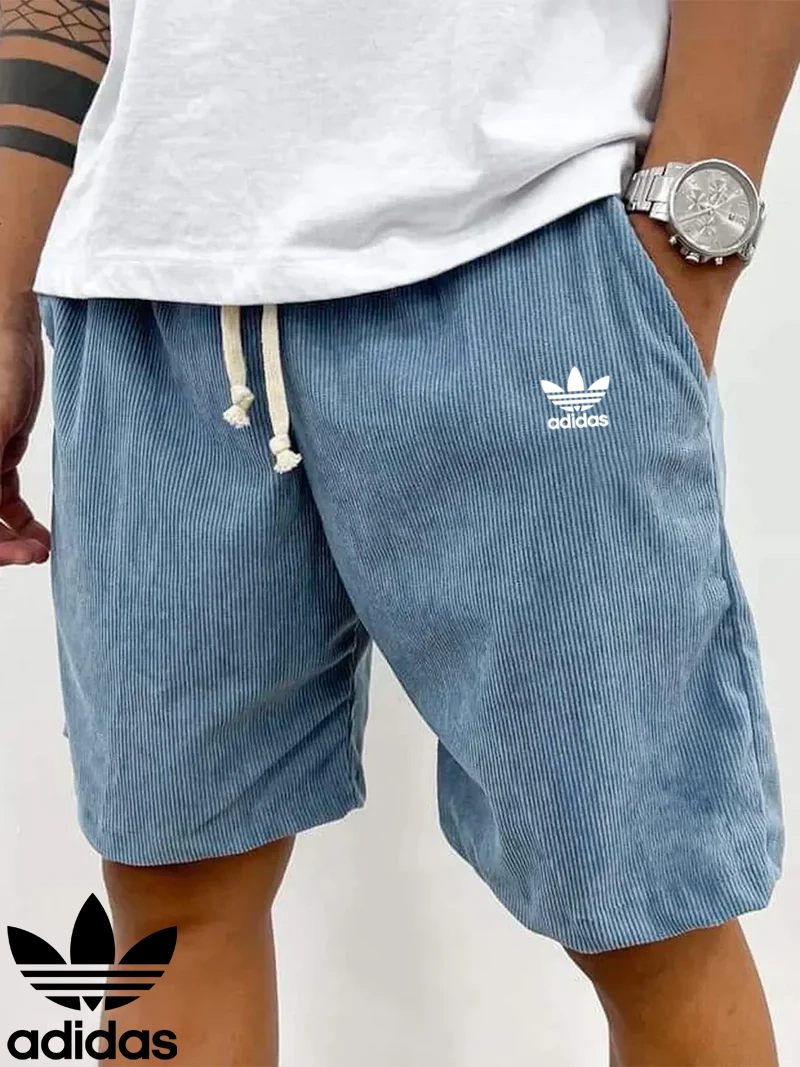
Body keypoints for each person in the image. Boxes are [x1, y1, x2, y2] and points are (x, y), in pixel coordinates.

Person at [1, 0, 798, 1063]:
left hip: (521, 240)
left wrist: (686, 248)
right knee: (171, 892)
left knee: (648, 914)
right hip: (148, 293)